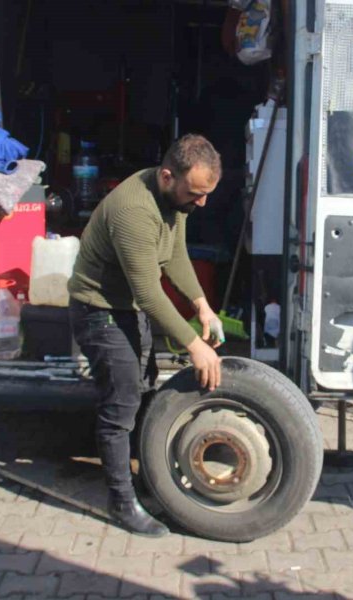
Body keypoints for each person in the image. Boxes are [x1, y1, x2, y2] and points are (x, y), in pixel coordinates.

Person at [67, 134, 224, 537]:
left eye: (207, 195)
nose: (202, 203)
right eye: (196, 193)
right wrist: (195, 347)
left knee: (141, 388)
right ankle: (121, 502)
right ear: (168, 175)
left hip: (127, 309)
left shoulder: (176, 198)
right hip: (99, 311)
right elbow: (148, 292)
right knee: (120, 406)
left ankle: (142, 483)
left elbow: (175, 254)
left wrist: (201, 305)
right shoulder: (134, 210)